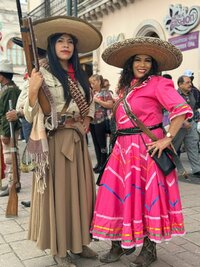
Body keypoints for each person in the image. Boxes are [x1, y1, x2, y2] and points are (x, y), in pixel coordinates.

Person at [90, 36, 193, 267]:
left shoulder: (159, 83)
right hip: (121, 150)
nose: (143, 64)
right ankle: (118, 245)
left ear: (153, 65)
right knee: (114, 195)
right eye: (138, 60)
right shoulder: (126, 86)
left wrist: (167, 139)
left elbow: (181, 110)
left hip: (146, 150)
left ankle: (149, 249)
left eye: (148, 60)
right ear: (130, 63)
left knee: (147, 198)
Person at [23, 16, 102, 267]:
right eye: (61, 41)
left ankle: (78, 244)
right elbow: (24, 110)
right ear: (52, 45)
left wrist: (87, 119)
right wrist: (34, 89)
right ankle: (59, 249)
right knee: (59, 197)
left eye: (70, 41)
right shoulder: (41, 72)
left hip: (77, 142)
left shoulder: (80, 73)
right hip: (54, 142)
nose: (66, 45)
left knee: (81, 195)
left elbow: (89, 104)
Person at [0, 60, 21, 197]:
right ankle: (12, 182)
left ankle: (13, 183)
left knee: (10, 156)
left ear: (2, 76)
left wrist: (6, 133)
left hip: (9, 127)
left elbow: (9, 113)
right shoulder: (7, 89)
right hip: (6, 127)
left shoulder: (11, 90)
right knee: (10, 155)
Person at [172, 75, 200, 177]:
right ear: (180, 84)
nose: (190, 84)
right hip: (178, 126)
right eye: (187, 82)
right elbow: (170, 110)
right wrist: (182, 121)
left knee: (193, 145)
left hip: (191, 124)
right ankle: (174, 169)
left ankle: (197, 169)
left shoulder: (191, 93)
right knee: (174, 148)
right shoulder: (173, 95)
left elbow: (193, 108)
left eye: (190, 82)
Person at [89, 74, 114, 173]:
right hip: (92, 121)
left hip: (101, 121)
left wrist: (98, 101)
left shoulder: (105, 93)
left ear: (99, 82)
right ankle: (99, 162)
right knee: (95, 144)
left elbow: (110, 104)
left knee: (102, 144)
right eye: (90, 83)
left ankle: (104, 164)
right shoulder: (91, 93)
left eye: (93, 82)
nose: (91, 84)